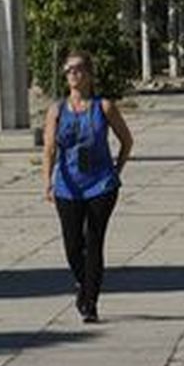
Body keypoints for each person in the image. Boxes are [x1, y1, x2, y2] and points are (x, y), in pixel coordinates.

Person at [43, 50, 132, 322]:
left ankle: (90, 301)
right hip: (67, 187)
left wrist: (116, 171)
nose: (73, 73)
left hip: (100, 186)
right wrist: (47, 181)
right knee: (73, 246)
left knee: (94, 242)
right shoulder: (57, 110)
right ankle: (84, 283)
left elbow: (126, 141)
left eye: (78, 68)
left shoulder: (103, 107)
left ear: (89, 74)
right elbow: (49, 149)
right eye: (68, 69)